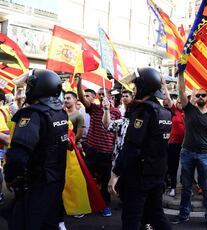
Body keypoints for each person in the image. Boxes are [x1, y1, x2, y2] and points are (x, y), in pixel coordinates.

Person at [107, 67, 172, 230]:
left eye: (136, 87)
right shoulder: (164, 112)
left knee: (131, 218)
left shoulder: (144, 111)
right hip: (157, 172)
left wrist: (115, 174)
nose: (134, 91)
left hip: (140, 175)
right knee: (157, 214)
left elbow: (132, 146)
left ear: (143, 87)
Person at [4, 69, 69, 229]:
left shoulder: (32, 114)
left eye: (30, 85)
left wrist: (10, 175)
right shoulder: (60, 113)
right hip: (54, 182)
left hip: (34, 185)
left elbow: (18, 155)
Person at [172, 71, 207, 230]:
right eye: (198, 95)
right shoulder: (189, 109)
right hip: (187, 153)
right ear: (195, 98)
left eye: (203, 95)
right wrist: (181, 73)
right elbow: (181, 92)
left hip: (205, 155)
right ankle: (183, 214)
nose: (200, 97)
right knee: (186, 186)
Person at [76, 75, 121, 217]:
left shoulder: (116, 112)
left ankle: (104, 206)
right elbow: (82, 98)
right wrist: (79, 83)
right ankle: (84, 205)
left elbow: (116, 132)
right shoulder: (94, 109)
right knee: (87, 179)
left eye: (103, 94)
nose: (101, 97)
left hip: (107, 152)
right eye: (99, 95)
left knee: (105, 180)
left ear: (110, 97)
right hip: (92, 151)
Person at [102, 90, 134, 167]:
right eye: (123, 96)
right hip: (118, 155)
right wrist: (106, 110)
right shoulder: (123, 118)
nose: (124, 98)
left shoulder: (140, 118)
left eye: (127, 96)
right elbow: (107, 125)